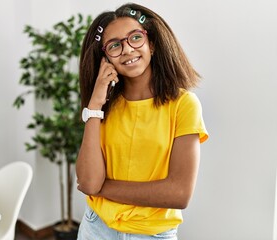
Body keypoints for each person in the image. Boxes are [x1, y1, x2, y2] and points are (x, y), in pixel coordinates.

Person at [76, 2, 208, 240]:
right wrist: (94, 106)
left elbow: (178, 193)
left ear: (152, 44)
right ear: (106, 58)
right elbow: (87, 180)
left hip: (152, 234)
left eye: (135, 38)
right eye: (114, 45)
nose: (127, 49)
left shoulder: (184, 104)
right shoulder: (102, 108)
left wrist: (102, 188)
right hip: (96, 228)